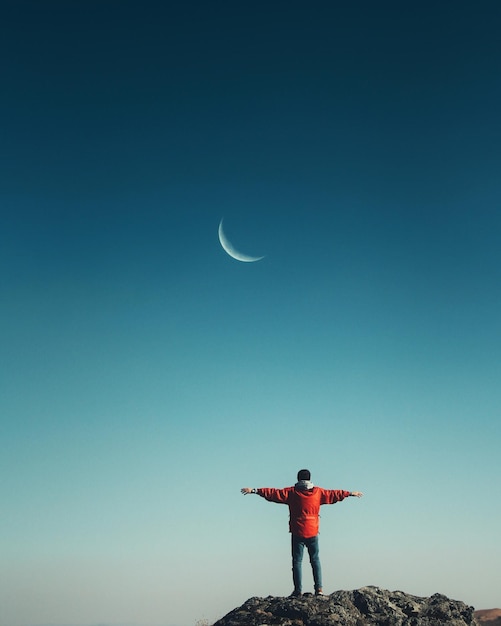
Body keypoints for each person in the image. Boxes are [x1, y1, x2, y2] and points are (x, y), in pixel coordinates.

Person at [241, 469, 363, 597]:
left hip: (297, 531)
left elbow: (273, 493)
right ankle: (319, 590)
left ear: (298, 479)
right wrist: (349, 493)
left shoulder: (291, 492)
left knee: (297, 561)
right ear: (310, 479)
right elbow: (333, 494)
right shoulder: (318, 492)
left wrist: (255, 490)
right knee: (315, 560)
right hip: (313, 530)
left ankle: (298, 590)